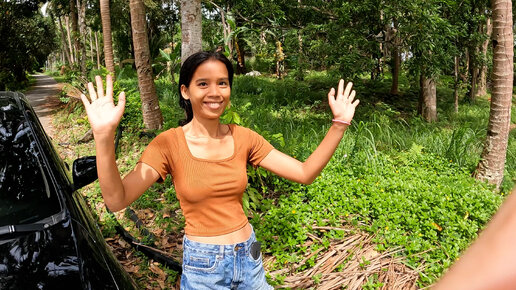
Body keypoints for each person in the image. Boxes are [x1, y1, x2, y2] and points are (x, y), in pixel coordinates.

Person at [80, 51, 359, 289]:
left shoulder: (245, 137)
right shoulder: (168, 144)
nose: (215, 93)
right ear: (185, 91)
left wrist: (339, 124)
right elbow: (117, 200)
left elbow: (304, 173)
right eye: (203, 83)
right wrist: (104, 137)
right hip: (204, 267)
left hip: (249, 258)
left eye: (222, 83)